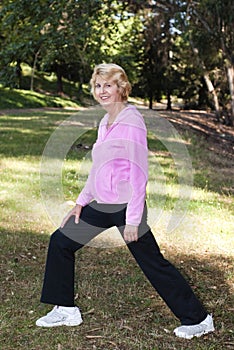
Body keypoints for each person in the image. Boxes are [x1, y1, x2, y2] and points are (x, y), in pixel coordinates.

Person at [36, 63, 214, 339]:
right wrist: (81, 202)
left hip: (127, 206)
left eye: (109, 85)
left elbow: (138, 173)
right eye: (98, 85)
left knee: (152, 262)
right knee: (61, 241)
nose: (102, 91)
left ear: (122, 88)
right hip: (103, 204)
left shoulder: (131, 122)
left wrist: (132, 219)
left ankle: (199, 319)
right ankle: (66, 309)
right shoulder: (105, 122)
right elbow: (98, 169)